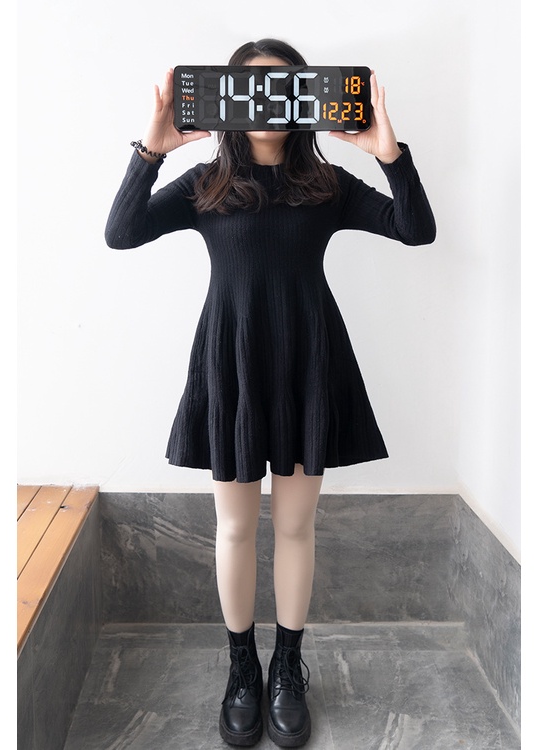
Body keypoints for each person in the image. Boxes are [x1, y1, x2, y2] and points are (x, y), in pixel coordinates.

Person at [105, 38, 435, 749]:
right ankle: (240, 670)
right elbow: (120, 233)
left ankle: (287, 667)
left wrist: (389, 154)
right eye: (250, 89)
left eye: (282, 88)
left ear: (304, 98)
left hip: (307, 359)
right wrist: (151, 150)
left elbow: (416, 230)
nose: (265, 104)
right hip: (232, 360)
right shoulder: (207, 184)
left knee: (294, 526)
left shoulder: (326, 184)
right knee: (233, 527)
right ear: (228, 100)